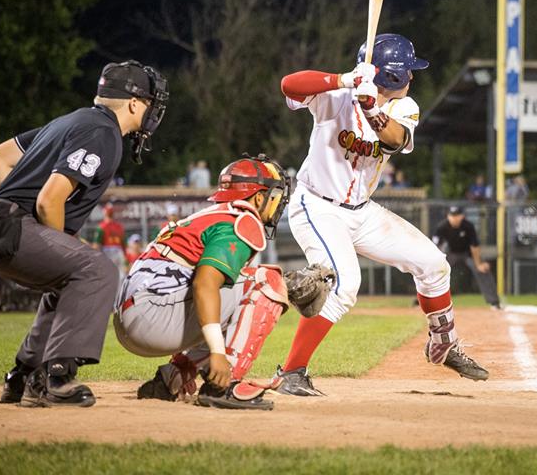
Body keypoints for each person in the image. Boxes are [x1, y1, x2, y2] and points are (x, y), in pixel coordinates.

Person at [274, 33, 488, 396]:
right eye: (407, 71)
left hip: (363, 210)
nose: (412, 77)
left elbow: (396, 139)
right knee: (342, 286)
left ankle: (443, 344)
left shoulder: (404, 107)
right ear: (390, 75)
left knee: (434, 264)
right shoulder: (336, 96)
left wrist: (372, 107)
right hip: (317, 206)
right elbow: (289, 85)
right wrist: (343, 80)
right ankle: (292, 372)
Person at [0, 60, 168, 407]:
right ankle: (58, 376)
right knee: (97, 270)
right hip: (10, 226)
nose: (151, 112)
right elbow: (49, 199)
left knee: (72, 278)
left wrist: (17, 208)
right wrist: (44, 229)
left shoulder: (71, 120)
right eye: (150, 103)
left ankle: (23, 376)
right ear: (135, 103)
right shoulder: (103, 132)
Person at [114, 155, 323, 410]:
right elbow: (204, 285)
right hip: (151, 316)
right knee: (267, 281)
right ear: (258, 197)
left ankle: (172, 377)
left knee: (235, 293)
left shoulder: (210, 215)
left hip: (134, 316)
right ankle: (227, 385)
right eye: (274, 195)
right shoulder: (240, 221)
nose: (277, 203)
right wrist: (217, 353)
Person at [432, 206, 500, 309]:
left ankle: (494, 302)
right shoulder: (442, 227)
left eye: (457, 216)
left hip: (467, 254)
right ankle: (427, 301)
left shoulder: (468, 226)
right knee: (434, 272)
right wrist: (436, 264)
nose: (454, 218)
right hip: (451, 253)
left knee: (483, 270)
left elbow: (474, 247)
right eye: (452, 216)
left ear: (462, 216)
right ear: (448, 216)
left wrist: (478, 264)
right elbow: (435, 246)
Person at [92, 203, 127, 282]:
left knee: (108, 276)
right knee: (121, 276)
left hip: (107, 251)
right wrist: (125, 258)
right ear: (113, 214)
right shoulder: (119, 226)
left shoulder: (102, 226)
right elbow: (124, 245)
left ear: (105, 213)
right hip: (118, 251)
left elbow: (96, 245)